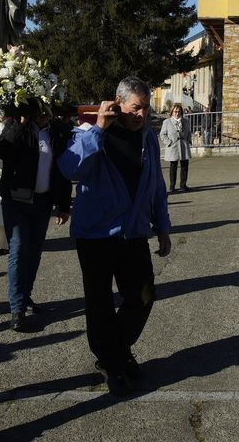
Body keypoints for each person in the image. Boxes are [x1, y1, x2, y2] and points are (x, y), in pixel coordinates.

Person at [57, 76, 171, 397]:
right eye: (135, 108)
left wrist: (162, 227)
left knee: (143, 295)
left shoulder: (148, 138)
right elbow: (70, 168)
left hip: (132, 233)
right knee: (100, 303)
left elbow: (156, 187)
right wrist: (98, 129)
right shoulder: (90, 131)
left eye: (145, 109)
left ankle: (115, 354)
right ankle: (113, 362)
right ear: (118, 103)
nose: (141, 115)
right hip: (95, 235)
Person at [0, 105, 73, 332]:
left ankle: (25, 293)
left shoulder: (58, 131)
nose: (42, 115)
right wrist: (20, 124)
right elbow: (2, 150)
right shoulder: (15, 127)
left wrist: (64, 205)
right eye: (37, 110)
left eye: (46, 111)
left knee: (35, 251)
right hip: (16, 201)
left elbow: (63, 169)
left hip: (43, 202)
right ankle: (16, 309)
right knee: (18, 250)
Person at [159, 103, 191, 193]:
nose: (177, 113)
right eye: (175, 111)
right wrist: (169, 142)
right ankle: (172, 186)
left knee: (185, 166)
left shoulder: (185, 121)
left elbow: (188, 132)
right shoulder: (166, 122)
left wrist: (189, 140)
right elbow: (162, 134)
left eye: (179, 111)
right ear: (172, 112)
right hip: (173, 147)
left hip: (184, 146)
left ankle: (183, 185)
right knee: (173, 167)